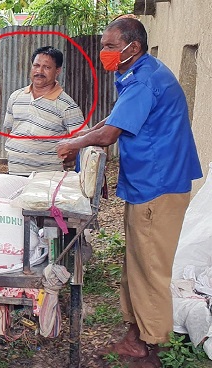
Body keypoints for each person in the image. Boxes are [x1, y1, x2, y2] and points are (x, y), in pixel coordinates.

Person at [56, 18, 202, 366]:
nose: (103, 52)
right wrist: (80, 139)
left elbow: (109, 136)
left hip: (158, 186)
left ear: (131, 47)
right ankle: (135, 337)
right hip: (147, 184)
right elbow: (112, 120)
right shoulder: (137, 72)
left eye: (109, 46)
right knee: (135, 263)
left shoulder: (143, 80)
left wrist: (74, 144)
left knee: (150, 268)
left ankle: (153, 349)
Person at [3, 46, 85, 176]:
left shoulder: (66, 105)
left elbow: (82, 139)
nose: (39, 71)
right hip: (14, 173)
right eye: (36, 65)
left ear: (57, 70)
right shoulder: (16, 97)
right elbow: (10, 129)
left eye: (46, 67)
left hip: (46, 177)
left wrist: (63, 157)